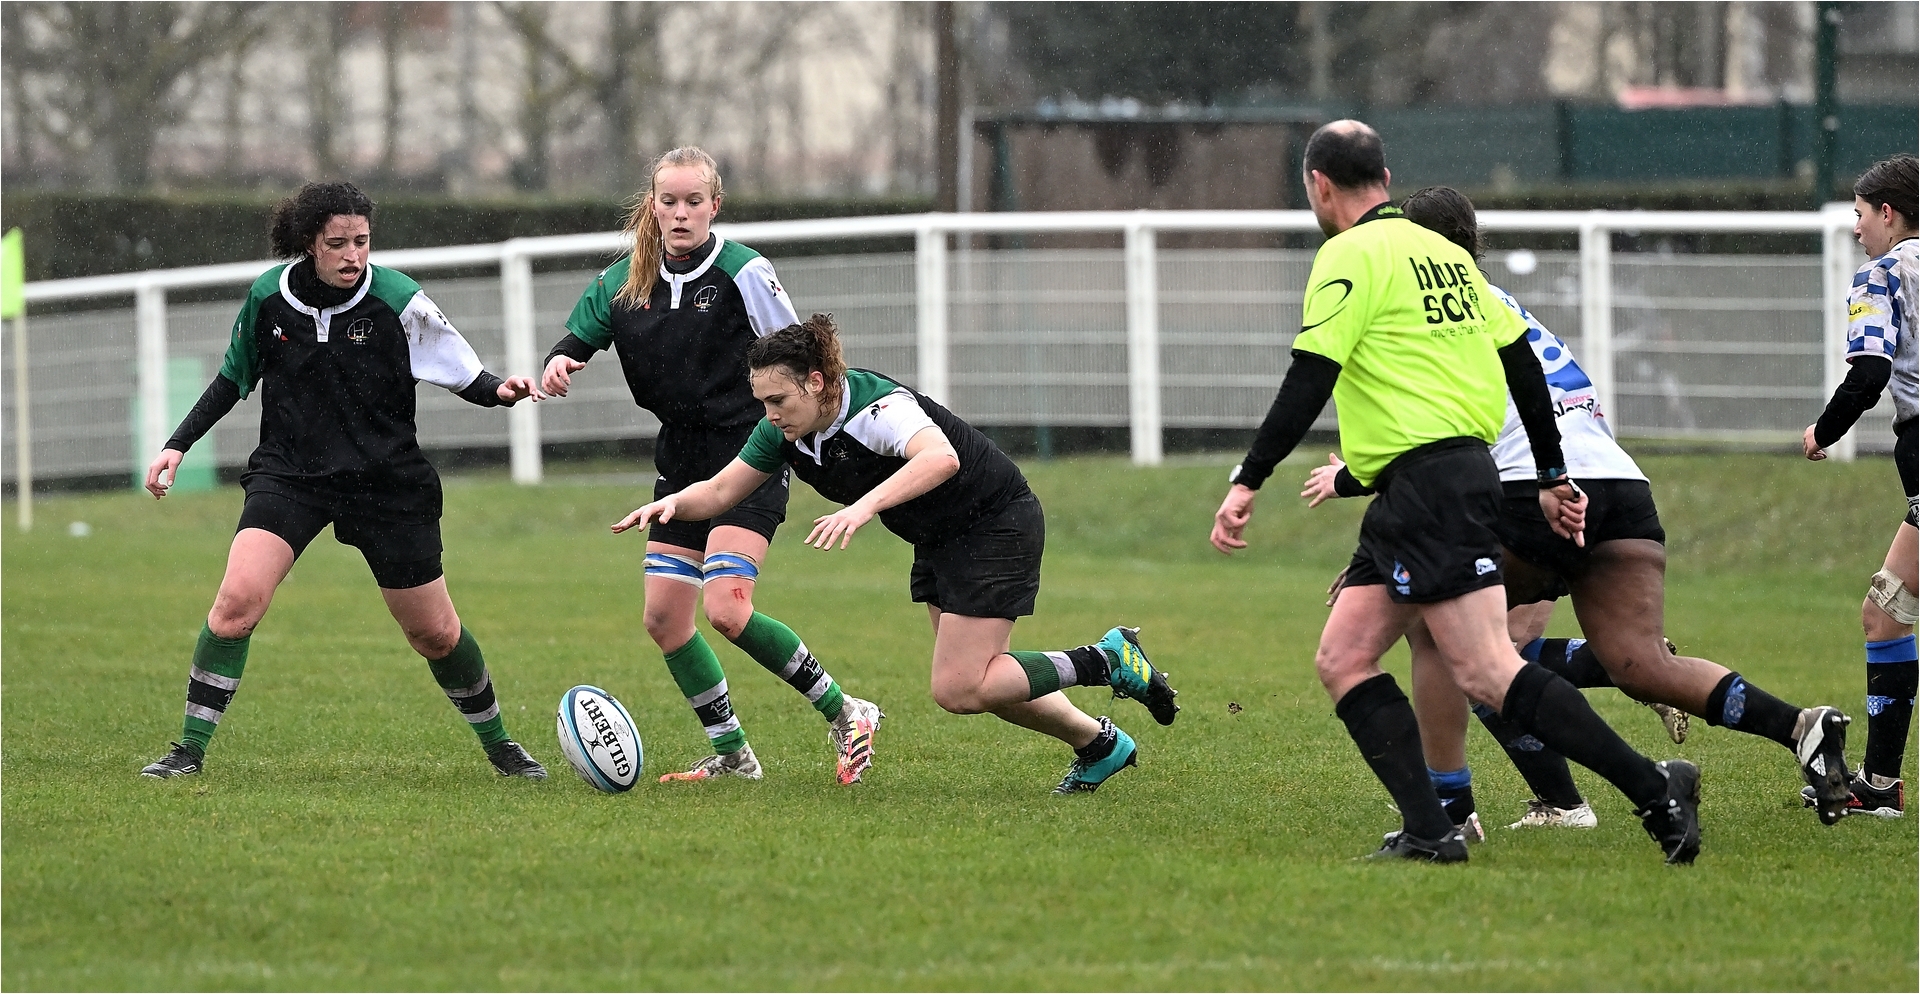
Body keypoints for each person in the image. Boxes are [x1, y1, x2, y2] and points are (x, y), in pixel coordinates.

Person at [1209, 121, 1701, 864]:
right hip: (1443, 480)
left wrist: (1249, 477)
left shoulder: (1347, 254)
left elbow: (1312, 373)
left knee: (1487, 669)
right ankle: (1432, 829)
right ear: (1385, 176)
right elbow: (1523, 363)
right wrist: (1551, 473)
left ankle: (1653, 789)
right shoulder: (1446, 256)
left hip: (1429, 486)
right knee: (1344, 655)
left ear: (1319, 185)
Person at [1303, 185, 1856, 831]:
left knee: (1443, 632)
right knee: (1641, 664)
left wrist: (1368, 522)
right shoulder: (1507, 306)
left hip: (1532, 490)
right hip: (1618, 485)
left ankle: (1467, 811)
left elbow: (1437, 442)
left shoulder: (1437, 314)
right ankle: (1800, 727)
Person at [612, 315, 1180, 794]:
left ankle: (1106, 661)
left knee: (960, 687)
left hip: (993, 524)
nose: (770, 414)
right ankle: (1099, 744)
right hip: (940, 536)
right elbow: (719, 492)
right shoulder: (784, 431)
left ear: (816, 382)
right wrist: (670, 505)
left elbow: (941, 458)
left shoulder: (878, 408)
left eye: (778, 400)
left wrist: (861, 508)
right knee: (987, 681)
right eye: (762, 402)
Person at [139, 182, 546, 780]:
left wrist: (500, 390)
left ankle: (501, 745)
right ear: (310, 243)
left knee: (434, 633)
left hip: (385, 482)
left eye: (362, 241)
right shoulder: (269, 298)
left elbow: (462, 371)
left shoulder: (397, 300)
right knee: (235, 606)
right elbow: (232, 378)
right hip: (291, 474)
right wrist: (177, 444)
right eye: (338, 243)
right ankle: (188, 752)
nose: (353, 255)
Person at [541, 147, 882, 785]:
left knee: (727, 607)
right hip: (680, 457)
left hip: (749, 450)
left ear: (714, 206)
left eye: (693, 201)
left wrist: (815, 438)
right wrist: (560, 361)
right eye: (668, 201)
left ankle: (847, 711)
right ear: (652, 206)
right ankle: (733, 755)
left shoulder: (743, 271)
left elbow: (798, 358)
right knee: (665, 619)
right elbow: (579, 337)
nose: (680, 213)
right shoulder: (623, 281)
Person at [1803, 153, 1920, 818]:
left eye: (1860, 214)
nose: (1855, 229)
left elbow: (1870, 369)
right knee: (1885, 612)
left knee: (1887, 612)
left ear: (1887, 213)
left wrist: (1824, 430)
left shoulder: (1883, 274)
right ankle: (1879, 784)